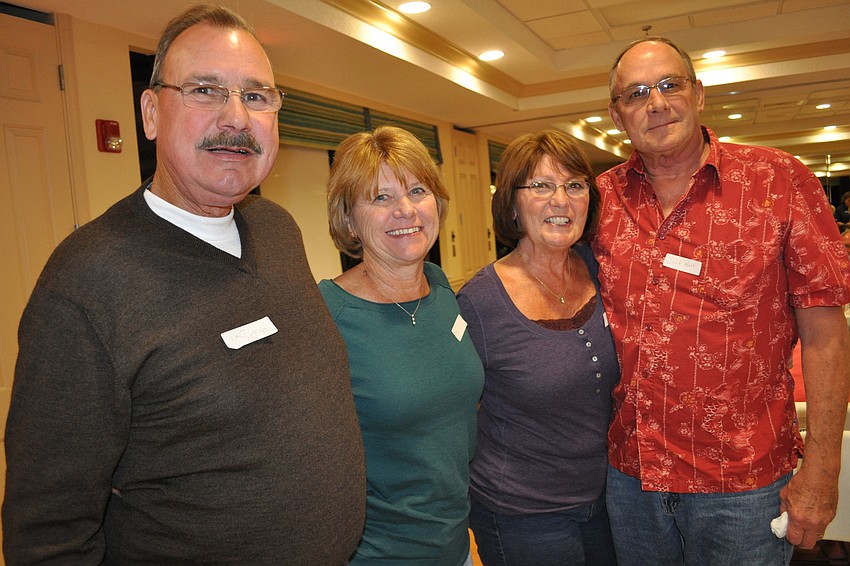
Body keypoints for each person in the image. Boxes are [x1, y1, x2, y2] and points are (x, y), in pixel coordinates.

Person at [2, 5, 365, 563]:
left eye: (257, 96)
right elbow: (49, 531)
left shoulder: (277, 230)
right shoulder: (87, 284)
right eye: (204, 90)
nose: (236, 119)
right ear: (151, 113)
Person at [592, 36, 850, 565]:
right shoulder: (599, 200)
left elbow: (826, 334)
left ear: (699, 93)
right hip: (630, 479)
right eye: (637, 93)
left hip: (744, 485)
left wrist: (823, 470)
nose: (657, 103)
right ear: (617, 116)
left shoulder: (779, 180)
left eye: (670, 85)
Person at [319, 125, 484, 565]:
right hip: (380, 554)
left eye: (417, 190)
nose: (406, 210)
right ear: (349, 219)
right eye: (381, 197)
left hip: (456, 545)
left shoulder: (439, 289)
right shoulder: (325, 316)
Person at [456, 130, 619, 566]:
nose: (560, 201)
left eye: (574, 185)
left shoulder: (600, 270)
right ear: (511, 201)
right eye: (542, 186)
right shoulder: (480, 302)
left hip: (609, 500)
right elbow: (453, 411)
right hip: (523, 514)